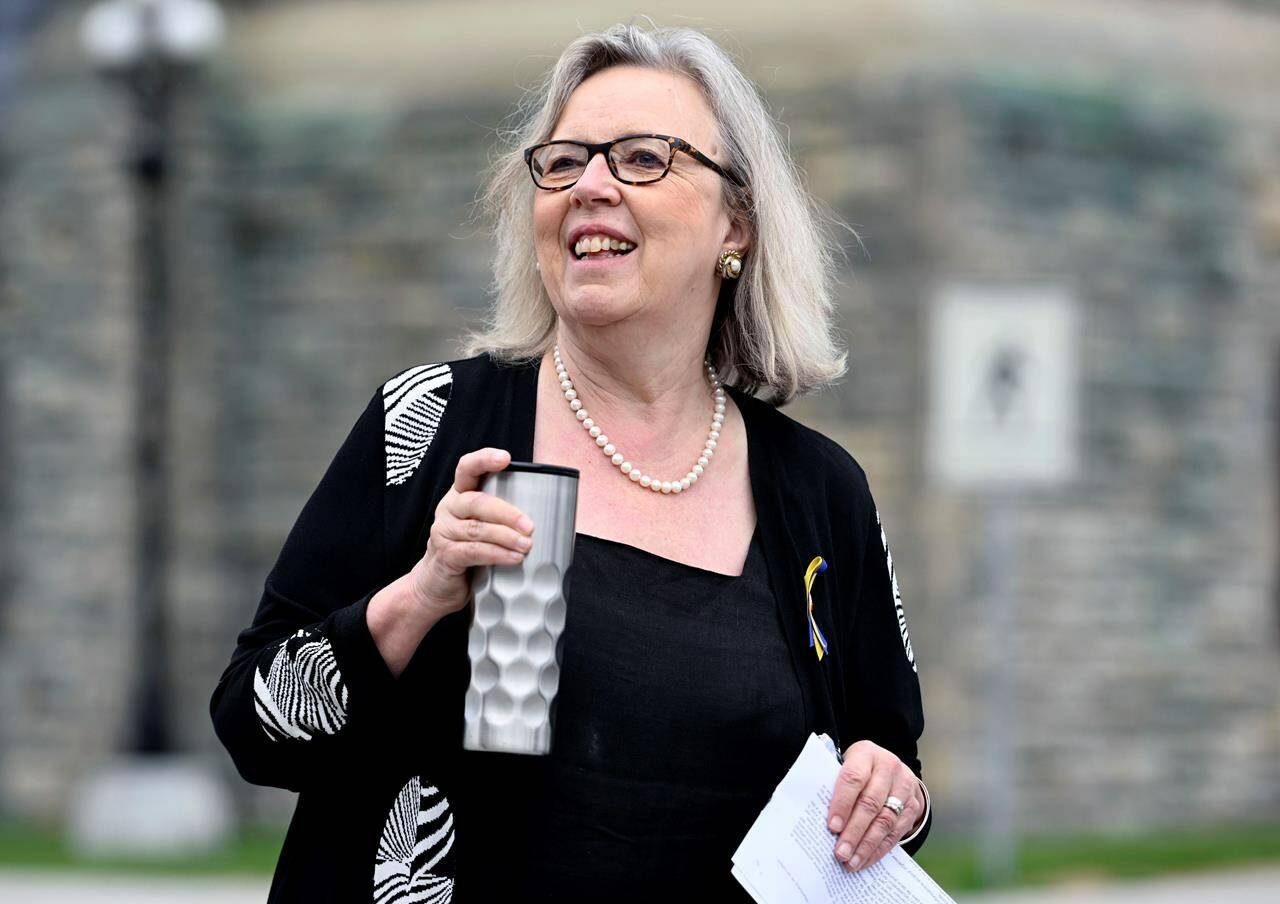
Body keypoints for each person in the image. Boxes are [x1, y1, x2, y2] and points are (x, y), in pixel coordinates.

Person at [211, 22, 931, 903]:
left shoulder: (820, 494)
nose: (591, 186)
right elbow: (252, 721)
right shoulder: (431, 423)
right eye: (563, 161)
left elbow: (892, 766)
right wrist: (418, 597)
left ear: (734, 222)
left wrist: (890, 793)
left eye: (641, 158)